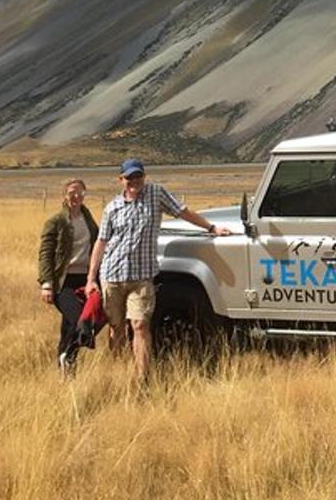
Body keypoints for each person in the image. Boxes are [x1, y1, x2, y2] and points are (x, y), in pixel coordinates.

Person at [84, 158, 228, 383]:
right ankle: (120, 372)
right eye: (129, 177)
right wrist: (91, 278)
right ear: (120, 180)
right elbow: (101, 242)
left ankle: (143, 377)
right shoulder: (112, 208)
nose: (134, 181)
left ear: (144, 176)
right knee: (116, 327)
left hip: (141, 277)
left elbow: (183, 211)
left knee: (140, 324)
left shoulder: (156, 194)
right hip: (112, 275)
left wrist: (211, 227)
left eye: (138, 176)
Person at [37, 177, 100, 377]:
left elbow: (99, 246)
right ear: (65, 195)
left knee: (69, 326)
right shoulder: (55, 222)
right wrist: (46, 284)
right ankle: (69, 354)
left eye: (80, 192)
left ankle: (66, 368)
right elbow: (46, 254)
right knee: (79, 319)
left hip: (86, 279)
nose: (76, 196)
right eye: (72, 192)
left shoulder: (89, 220)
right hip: (63, 281)